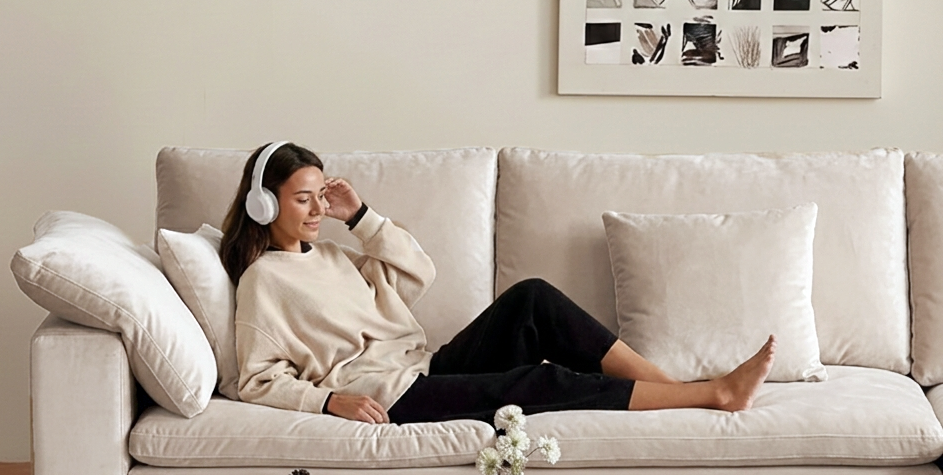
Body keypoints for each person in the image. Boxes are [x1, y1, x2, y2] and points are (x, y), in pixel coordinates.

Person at [220, 141, 776, 426]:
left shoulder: (333, 254)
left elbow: (418, 273)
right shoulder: (264, 282)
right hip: (393, 395)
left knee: (532, 298)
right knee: (539, 382)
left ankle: (670, 389)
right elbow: (256, 380)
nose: (318, 209)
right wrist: (329, 402)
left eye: (321, 195)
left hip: (425, 367)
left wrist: (361, 214)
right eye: (302, 198)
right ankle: (712, 395)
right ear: (263, 204)